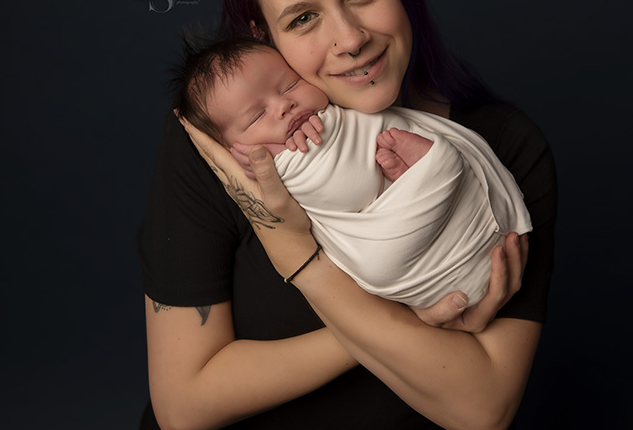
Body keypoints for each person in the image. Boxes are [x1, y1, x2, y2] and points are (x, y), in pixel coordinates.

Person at [137, 0, 557, 430]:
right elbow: (184, 407)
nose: (350, 39)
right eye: (303, 18)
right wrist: (408, 322)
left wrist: (302, 260)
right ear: (263, 36)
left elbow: (482, 412)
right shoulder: (224, 143)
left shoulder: (500, 149)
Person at [172, 36, 531, 311]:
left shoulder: (332, 121)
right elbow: (343, 191)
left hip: (481, 243)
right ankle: (433, 169)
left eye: (289, 86)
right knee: (377, 266)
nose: (284, 106)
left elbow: (350, 178)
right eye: (255, 117)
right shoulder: (244, 170)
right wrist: (273, 170)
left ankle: (435, 169)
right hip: (430, 279)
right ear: (230, 154)